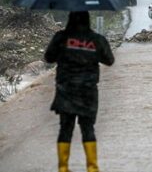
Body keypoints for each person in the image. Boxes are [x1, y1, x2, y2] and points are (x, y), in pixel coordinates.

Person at [45, 11, 114, 172]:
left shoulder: (61, 38)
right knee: (88, 129)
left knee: (65, 128)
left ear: (69, 20)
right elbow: (109, 60)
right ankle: (92, 168)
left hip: (65, 91)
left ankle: (63, 168)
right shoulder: (96, 39)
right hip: (88, 92)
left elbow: (48, 57)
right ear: (88, 20)